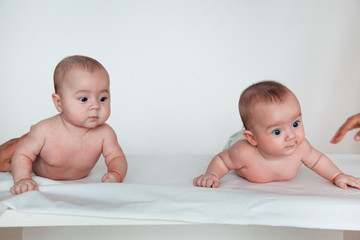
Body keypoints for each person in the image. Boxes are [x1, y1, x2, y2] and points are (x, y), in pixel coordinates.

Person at [193, 81, 360, 189]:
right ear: (252, 138)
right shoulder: (243, 151)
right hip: (238, 141)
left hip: (258, 137)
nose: (291, 136)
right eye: (277, 131)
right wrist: (212, 175)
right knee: (233, 147)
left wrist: (337, 175)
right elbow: (222, 160)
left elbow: (318, 160)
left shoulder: (301, 147)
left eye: (295, 124)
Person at [9, 55, 127, 194]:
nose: (96, 105)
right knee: (10, 155)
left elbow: (117, 158)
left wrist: (116, 173)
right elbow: (23, 155)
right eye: (83, 99)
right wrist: (22, 178)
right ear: (59, 103)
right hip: (28, 146)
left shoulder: (105, 133)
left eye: (103, 98)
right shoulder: (44, 131)